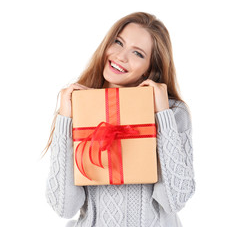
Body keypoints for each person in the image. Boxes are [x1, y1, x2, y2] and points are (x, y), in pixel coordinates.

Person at [44, 12, 195, 227]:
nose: (121, 56)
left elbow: (174, 200)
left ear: (150, 69)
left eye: (138, 53)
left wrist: (163, 115)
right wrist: (65, 120)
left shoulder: (174, 112)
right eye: (118, 42)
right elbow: (64, 207)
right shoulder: (79, 107)